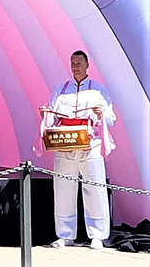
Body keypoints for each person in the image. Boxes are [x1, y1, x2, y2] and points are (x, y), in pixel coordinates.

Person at [42, 50, 116, 250]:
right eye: (73, 63)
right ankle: (65, 235)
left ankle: (98, 235)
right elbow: (52, 115)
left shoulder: (98, 90)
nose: (75, 67)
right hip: (65, 144)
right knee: (63, 189)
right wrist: (46, 114)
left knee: (95, 188)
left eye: (79, 63)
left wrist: (100, 114)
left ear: (87, 65)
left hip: (90, 144)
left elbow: (110, 118)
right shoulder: (61, 89)